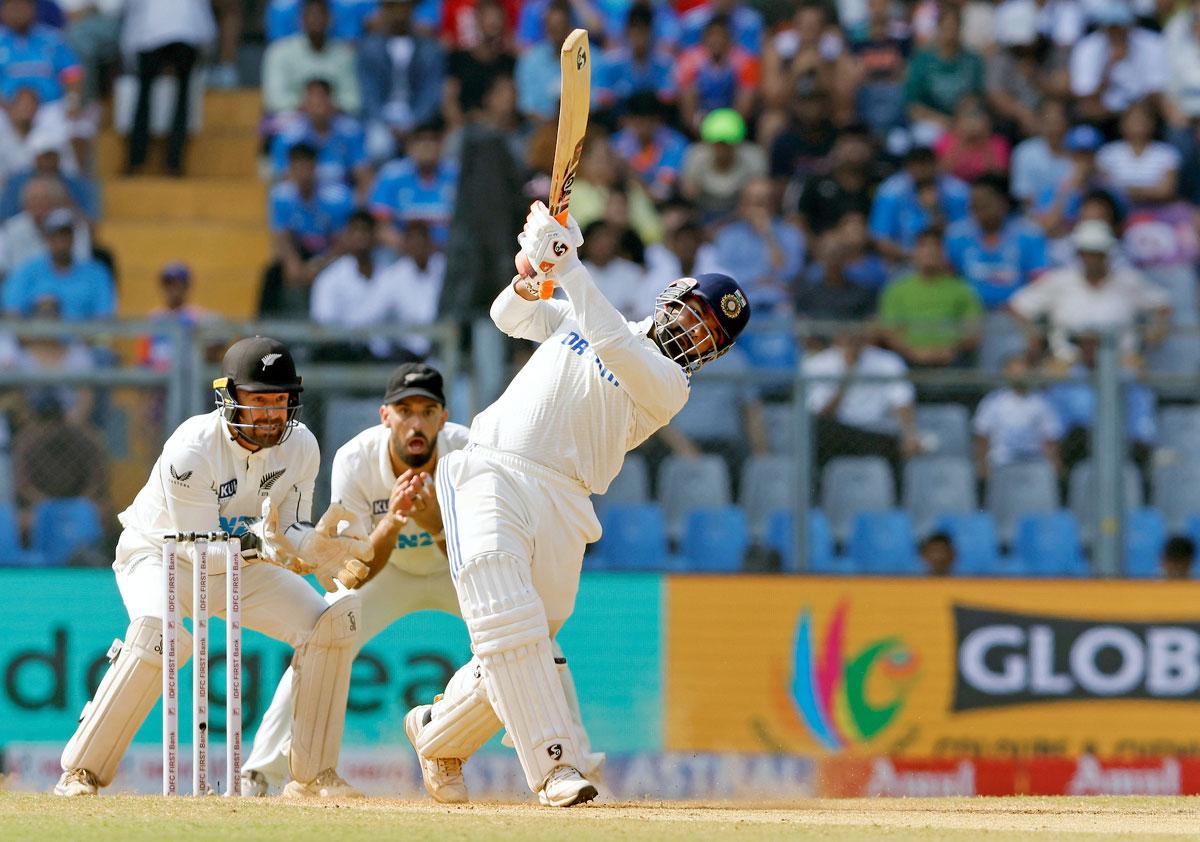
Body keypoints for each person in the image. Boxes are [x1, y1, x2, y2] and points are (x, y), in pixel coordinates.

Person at [402, 202, 751, 807]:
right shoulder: (584, 314)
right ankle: (553, 768)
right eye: (694, 316)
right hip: (492, 464)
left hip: (566, 499)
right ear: (672, 298)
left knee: (526, 640)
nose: (695, 333)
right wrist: (532, 273)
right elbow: (508, 316)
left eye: (709, 336)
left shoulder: (669, 384)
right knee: (505, 614)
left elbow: (611, 340)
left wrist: (566, 263)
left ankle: (437, 734)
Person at [240, 363, 603, 795]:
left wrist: (435, 524)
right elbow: (353, 576)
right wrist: (391, 523)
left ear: (443, 417)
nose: (416, 422)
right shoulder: (355, 460)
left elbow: (491, 553)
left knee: (535, 636)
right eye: (405, 410)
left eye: (427, 411)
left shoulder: (470, 451)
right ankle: (263, 773)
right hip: (388, 574)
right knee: (325, 630)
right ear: (385, 416)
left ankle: (579, 766)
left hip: (460, 572)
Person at [55, 336, 373, 798]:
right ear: (229, 398)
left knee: (333, 622)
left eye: (280, 401)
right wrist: (274, 546)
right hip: (162, 556)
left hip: (243, 566)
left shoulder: (301, 445)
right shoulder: (193, 447)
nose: (270, 413)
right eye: (258, 400)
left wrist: (318, 546)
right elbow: (198, 546)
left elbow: (290, 527)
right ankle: (81, 771)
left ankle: (311, 776)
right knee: (160, 637)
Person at [1008, 220, 1170, 363]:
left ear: (1107, 253)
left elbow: (1162, 305)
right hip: (1068, 367)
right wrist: (1037, 342)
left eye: (1097, 253)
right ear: (1078, 253)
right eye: (1086, 252)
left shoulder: (1128, 281)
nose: (1091, 258)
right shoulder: (1059, 280)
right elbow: (1018, 305)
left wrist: (1150, 340)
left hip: (1121, 365)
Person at [803, 326, 921, 481]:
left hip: (876, 431)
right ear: (838, 337)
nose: (854, 342)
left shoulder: (888, 361)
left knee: (900, 444)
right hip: (838, 433)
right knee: (816, 430)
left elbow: (902, 401)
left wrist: (909, 434)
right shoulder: (816, 364)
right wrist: (848, 374)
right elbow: (822, 414)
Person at [120, 0, 217, 177]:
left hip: (150, 33)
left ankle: (136, 160)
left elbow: (133, 12)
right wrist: (207, 47)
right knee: (182, 97)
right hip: (186, 34)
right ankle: (173, 163)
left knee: (144, 97)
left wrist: (128, 52)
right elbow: (203, 13)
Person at [878, 227, 983, 368]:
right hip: (908, 361)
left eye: (935, 247)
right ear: (914, 252)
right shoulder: (896, 290)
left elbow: (973, 329)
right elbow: (890, 331)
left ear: (943, 253)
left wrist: (951, 349)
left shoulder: (962, 289)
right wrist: (915, 353)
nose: (930, 251)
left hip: (952, 359)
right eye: (923, 246)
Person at [357, 0, 445, 161]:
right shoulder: (369, 47)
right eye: (392, 7)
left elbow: (431, 93)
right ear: (383, 10)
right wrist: (387, 124)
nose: (398, 13)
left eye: (402, 6)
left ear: (411, 9)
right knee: (379, 148)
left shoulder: (430, 48)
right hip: (382, 117)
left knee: (428, 149)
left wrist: (414, 123)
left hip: (418, 117)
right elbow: (368, 93)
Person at [944, 173, 1048, 309]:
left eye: (984, 205)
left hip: (1018, 314)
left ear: (1003, 203)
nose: (977, 212)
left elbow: (1039, 281)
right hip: (970, 315)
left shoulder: (1029, 235)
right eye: (973, 206)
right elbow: (948, 280)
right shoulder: (956, 235)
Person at [1, 207, 112, 319]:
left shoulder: (96, 273)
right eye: (56, 236)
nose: (61, 241)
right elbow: (12, 312)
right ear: (47, 239)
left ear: (73, 237)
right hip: (37, 335)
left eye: (66, 235)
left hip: (83, 335)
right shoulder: (27, 271)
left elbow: (104, 319)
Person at [972, 351, 1063, 479]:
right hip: (1000, 463)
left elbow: (1050, 438)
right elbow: (981, 436)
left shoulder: (1041, 403)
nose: (1020, 374)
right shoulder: (992, 402)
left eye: (1023, 369)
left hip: (1034, 463)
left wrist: (1054, 464)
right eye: (1015, 370)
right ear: (1006, 373)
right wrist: (982, 465)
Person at [262, 0, 360, 117]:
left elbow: (353, 99)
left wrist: (327, 107)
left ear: (330, 20)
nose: (316, 20)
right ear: (300, 20)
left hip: (334, 118)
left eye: (320, 15)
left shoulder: (344, 54)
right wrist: (308, 106)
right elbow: (274, 100)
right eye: (311, 15)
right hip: (292, 117)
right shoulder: (279, 52)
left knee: (354, 129)